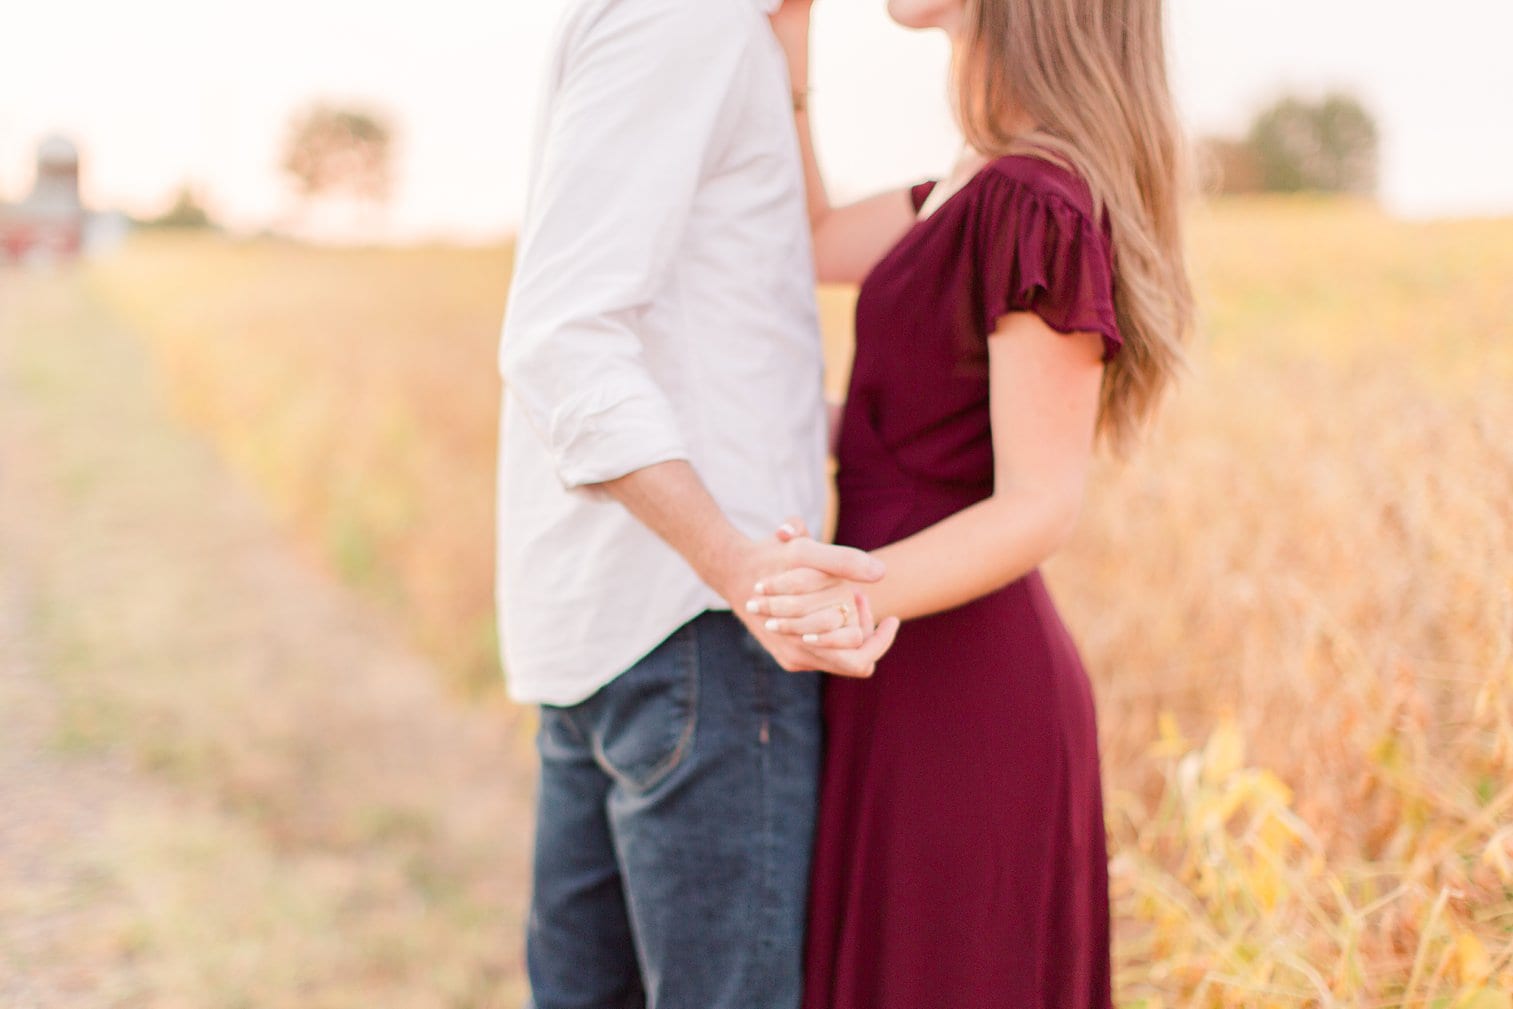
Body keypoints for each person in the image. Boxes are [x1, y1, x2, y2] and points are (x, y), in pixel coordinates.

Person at [747, 0, 1195, 1005]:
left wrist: (843, 599)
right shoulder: (966, 178)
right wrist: (792, 35)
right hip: (890, 662)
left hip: (962, 689)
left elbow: (1041, 502)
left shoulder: (1037, 197)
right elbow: (808, 237)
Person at [494, 0, 902, 1006]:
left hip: (619, 626)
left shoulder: (706, 26)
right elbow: (561, 339)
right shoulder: (690, 21)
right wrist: (733, 559)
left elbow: (718, 345)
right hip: (699, 634)